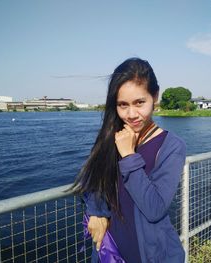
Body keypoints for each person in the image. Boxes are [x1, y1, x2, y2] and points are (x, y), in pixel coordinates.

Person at [73, 57, 186, 263]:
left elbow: (155, 208)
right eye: (122, 105)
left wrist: (129, 155)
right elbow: (92, 180)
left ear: (155, 96)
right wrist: (97, 212)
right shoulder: (114, 136)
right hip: (112, 253)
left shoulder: (171, 146)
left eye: (139, 103)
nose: (131, 114)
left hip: (153, 256)